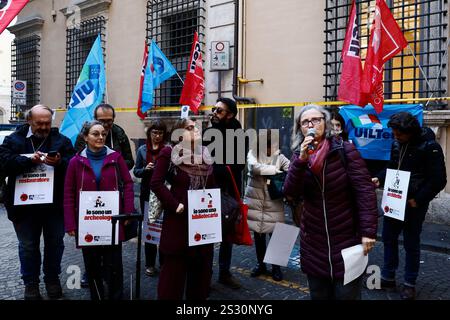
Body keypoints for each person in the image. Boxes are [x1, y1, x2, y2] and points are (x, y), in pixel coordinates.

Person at [283, 104, 378, 300]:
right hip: (314, 243)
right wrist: (301, 161)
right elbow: (290, 193)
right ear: (300, 128)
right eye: (305, 122)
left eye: (316, 120)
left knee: (347, 295)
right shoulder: (297, 157)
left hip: (346, 240)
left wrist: (368, 231)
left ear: (325, 124)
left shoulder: (345, 150)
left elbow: (364, 191)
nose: (311, 125)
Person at [0, 105, 75, 300]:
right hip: (24, 208)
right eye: (39, 123)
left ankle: (52, 280)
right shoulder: (13, 140)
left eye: (47, 123)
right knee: (27, 246)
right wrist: (27, 161)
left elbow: (73, 166)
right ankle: (30, 284)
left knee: (55, 244)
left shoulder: (62, 140)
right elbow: (3, 163)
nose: (43, 127)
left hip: (54, 207)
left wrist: (60, 163)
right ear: (29, 121)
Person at [372, 112, 446, 300]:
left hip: (414, 205)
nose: (396, 136)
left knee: (411, 243)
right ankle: (388, 276)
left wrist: (418, 199)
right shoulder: (397, 143)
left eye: (399, 133)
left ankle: (409, 283)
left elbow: (438, 180)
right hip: (395, 200)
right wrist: (378, 179)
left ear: (410, 131)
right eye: (394, 133)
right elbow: (392, 167)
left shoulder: (430, 146)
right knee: (388, 238)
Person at [64, 121, 135, 300]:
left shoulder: (116, 158)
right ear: (86, 137)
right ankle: (97, 295)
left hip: (112, 220)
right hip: (87, 222)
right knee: (92, 264)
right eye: (95, 134)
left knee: (114, 264)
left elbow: (127, 184)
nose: (101, 137)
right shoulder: (75, 162)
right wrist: (70, 223)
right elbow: (68, 193)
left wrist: (128, 210)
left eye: (103, 134)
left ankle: (116, 296)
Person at [150, 118, 216, 300]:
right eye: (190, 128)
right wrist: (174, 204)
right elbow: (156, 183)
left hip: (202, 225)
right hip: (178, 224)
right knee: (172, 282)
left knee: (200, 282)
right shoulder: (169, 152)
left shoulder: (206, 154)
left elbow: (212, 186)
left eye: (197, 128)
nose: (195, 130)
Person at [203, 97, 245, 289]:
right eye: (214, 109)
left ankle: (224, 273)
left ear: (230, 115)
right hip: (209, 191)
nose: (214, 113)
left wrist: (217, 166)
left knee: (227, 234)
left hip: (228, 191)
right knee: (207, 234)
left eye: (219, 111)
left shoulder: (238, 133)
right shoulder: (210, 131)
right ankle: (205, 275)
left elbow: (238, 165)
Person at [244, 130, 290, 281]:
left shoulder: (280, 157)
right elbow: (254, 168)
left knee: (277, 235)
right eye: (270, 145)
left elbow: (291, 170)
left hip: (273, 202)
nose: (274, 148)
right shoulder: (252, 154)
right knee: (259, 234)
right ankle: (261, 264)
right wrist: (276, 171)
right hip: (256, 202)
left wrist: (282, 174)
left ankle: (276, 268)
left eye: (276, 144)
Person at [133, 119, 167, 277]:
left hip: (164, 193)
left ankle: (165, 262)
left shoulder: (167, 149)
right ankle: (150, 264)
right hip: (147, 193)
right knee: (150, 228)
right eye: (154, 132)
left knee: (165, 228)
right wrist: (145, 169)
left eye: (160, 133)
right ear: (149, 133)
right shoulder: (141, 150)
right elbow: (136, 172)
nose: (157, 136)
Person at [75, 103, 134, 170]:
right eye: (101, 121)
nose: (105, 124)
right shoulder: (83, 136)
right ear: (95, 119)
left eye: (109, 121)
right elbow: (77, 162)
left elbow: (130, 162)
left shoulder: (120, 135)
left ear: (113, 119)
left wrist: (112, 165)